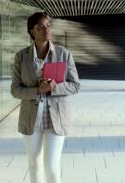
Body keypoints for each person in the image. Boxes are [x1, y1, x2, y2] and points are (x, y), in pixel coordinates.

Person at [11, 12, 80, 183]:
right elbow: (15, 90)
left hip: (56, 118)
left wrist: (52, 89)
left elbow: (75, 85)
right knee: (34, 165)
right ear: (32, 31)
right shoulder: (21, 57)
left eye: (48, 25)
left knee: (51, 166)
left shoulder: (64, 54)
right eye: (40, 27)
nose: (46, 30)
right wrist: (37, 90)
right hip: (31, 118)